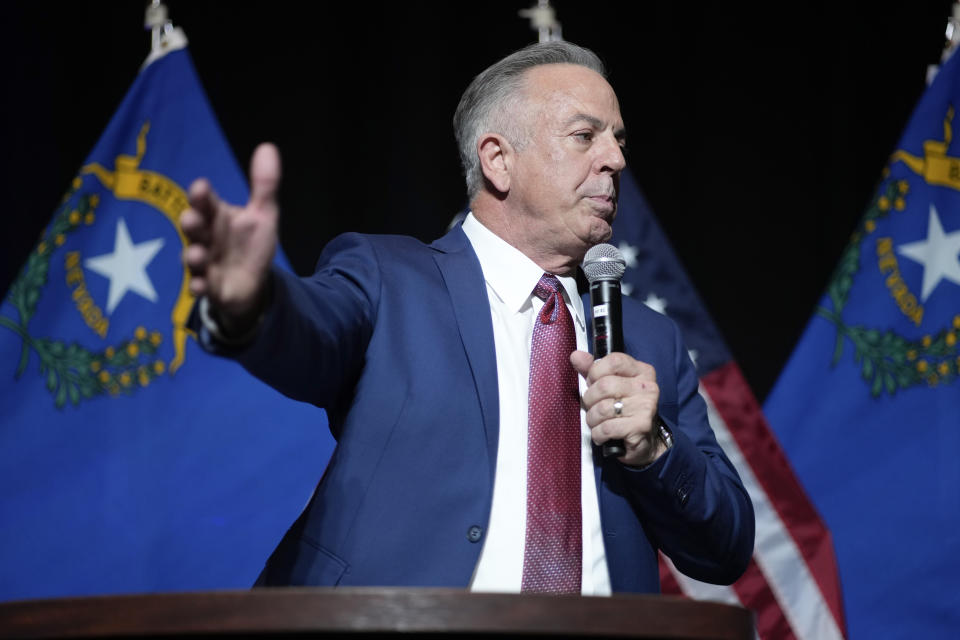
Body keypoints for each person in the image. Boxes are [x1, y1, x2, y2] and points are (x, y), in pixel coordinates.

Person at [181, 41, 754, 594]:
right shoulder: (389, 278)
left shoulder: (651, 339)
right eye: (586, 137)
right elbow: (310, 335)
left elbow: (726, 547)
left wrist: (654, 449)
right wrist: (253, 302)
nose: (616, 159)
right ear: (498, 160)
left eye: (618, 140)